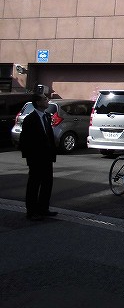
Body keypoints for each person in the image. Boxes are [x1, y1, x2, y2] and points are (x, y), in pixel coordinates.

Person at [19, 92, 57, 221]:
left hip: (47, 157)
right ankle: (32, 211)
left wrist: (52, 153)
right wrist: (29, 157)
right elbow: (25, 140)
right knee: (34, 184)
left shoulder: (46, 116)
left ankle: (43, 208)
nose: (47, 100)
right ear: (38, 102)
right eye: (45, 99)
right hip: (35, 158)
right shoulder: (30, 119)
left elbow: (49, 137)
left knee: (47, 183)